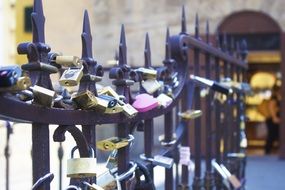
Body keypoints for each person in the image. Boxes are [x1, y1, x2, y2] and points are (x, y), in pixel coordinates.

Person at [265, 84, 281, 154]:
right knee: (272, 135)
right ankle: (267, 150)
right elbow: (271, 108)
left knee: (275, 135)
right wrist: (274, 117)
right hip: (272, 120)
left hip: (275, 119)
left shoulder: (278, 98)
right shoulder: (274, 98)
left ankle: (269, 150)